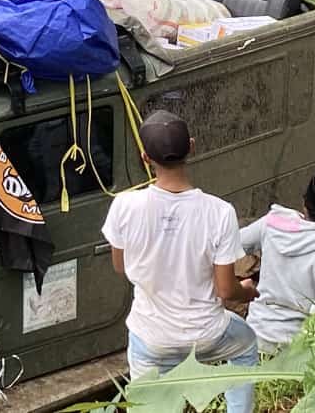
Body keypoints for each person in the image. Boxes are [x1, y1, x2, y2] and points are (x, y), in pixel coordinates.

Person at [102, 110, 260, 413]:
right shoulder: (219, 211)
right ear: (192, 146)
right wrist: (248, 291)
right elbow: (226, 291)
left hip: (151, 337)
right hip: (206, 334)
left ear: (144, 157)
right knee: (246, 344)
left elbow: (121, 266)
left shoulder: (123, 205)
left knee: (149, 404)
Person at [239, 167, 315, 353]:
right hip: (295, 353)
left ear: (304, 201)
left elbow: (233, 243)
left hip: (254, 338)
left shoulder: (273, 222)